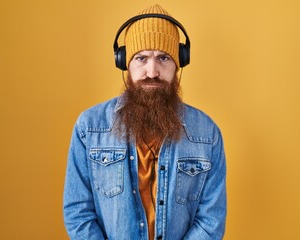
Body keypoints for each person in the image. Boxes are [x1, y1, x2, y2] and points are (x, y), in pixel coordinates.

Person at [63, 4, 227, 240]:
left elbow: (211, 220)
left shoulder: (207, 133)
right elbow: (78, 213)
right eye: (141, 58)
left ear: (179, 62)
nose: (152, 71)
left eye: (163, 58)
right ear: (124, 62)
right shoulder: (89, 127)